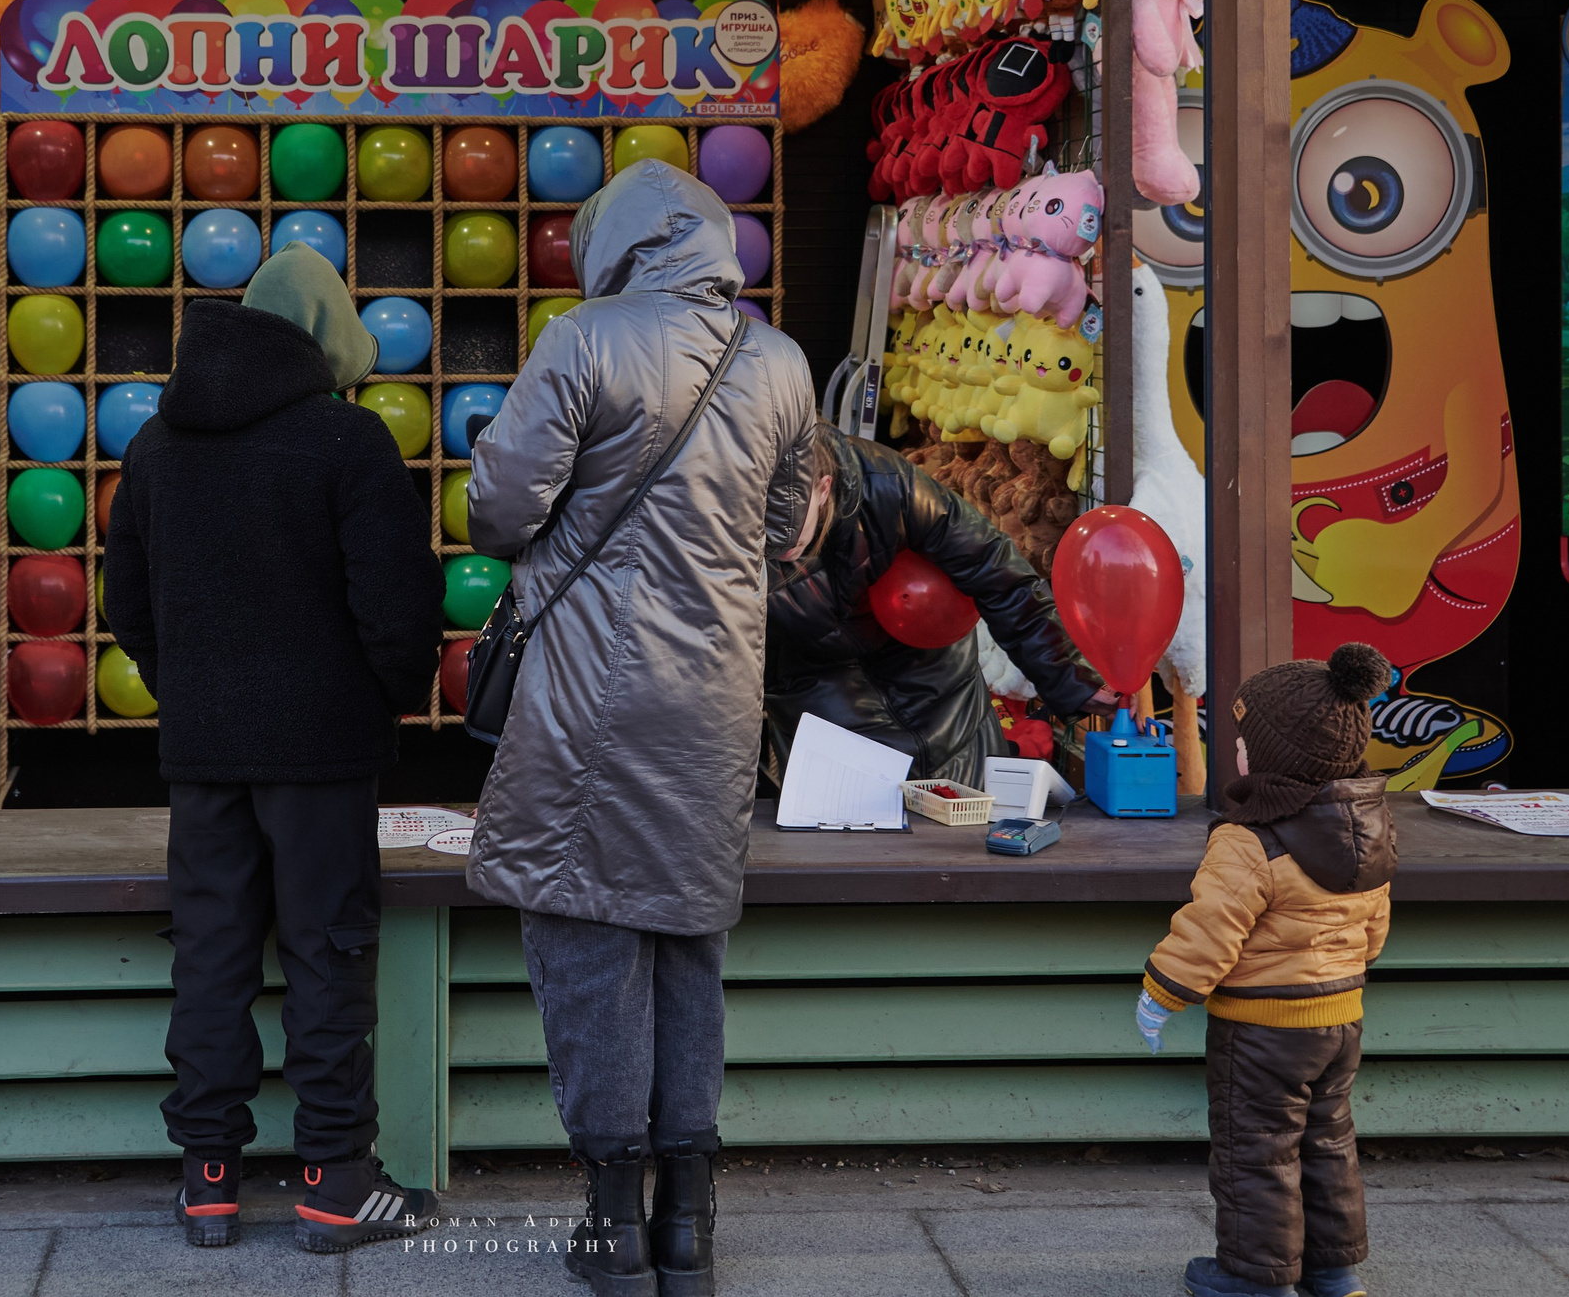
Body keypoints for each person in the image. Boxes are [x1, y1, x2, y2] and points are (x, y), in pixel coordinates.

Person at [465, 162, 819, 1297]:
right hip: (715, 692)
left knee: (583, 936)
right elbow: (781, 525)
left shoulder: (581, 339)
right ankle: (691, 1227)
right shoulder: (778, 361)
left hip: (586, 693)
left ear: (606, 240)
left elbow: (502, 509)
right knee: (687, 940)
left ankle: (613, 1220)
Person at [103, 244, 445, 1255]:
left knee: (210, 954)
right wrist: (377, 698)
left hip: (202, 752)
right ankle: (338, 1182)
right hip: (323, 754)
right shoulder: (349, 442)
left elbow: (127, 603)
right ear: (327, 336)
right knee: (327, 954)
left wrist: (193, 692)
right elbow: (397, 606)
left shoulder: (156, 445)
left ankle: (207, 1177)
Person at [1136, 643, 1396, 1297]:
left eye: (1247, 742)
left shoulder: (1248, 840)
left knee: (1256, 1147)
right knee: (1327, 1139)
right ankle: (1333, 1271)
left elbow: (1211, 928)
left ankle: (1255, 1276)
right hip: (1340, 1015)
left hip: (1261, 1026)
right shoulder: (1365, 829)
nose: (1240, 754)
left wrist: (1164, 992)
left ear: (1276, 757)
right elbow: (1372, 932)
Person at [764, 422, 1104, 788]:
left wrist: (1073, 680)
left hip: (936, 668)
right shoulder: (714, 522)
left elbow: (995, 570)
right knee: (857, 823)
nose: (782, 543)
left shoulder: (884, 481)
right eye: (766, 524)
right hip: (816, 681)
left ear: (823, 488)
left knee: (972, 811)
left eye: (792, 523)